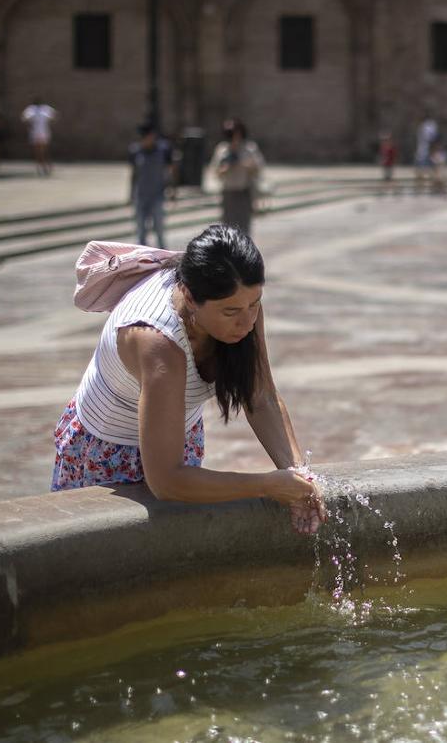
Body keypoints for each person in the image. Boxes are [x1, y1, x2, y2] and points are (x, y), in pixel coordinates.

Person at [53, 226, 325, 534]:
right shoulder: (157, 341)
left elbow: (260, 396)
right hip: (107, 452)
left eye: (255, 303)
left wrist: (298, 474)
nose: (247, 321)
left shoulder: (240, 304)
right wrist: (265, 485)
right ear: (190, 297)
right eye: (231, 311)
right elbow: (167, 481)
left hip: (177, 437)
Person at [210, 118, 265, 235]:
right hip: (228, 193)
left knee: (244, 229)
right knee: (228, 229)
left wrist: (244, 164)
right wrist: (224, 168)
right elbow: (215, 171)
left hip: (243, 192)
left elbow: (259, 168)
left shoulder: (249, 148)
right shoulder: (222, 149)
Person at [129, 123, 175, 249]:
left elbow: (170, 171)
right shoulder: (136, 151)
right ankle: (141, 257)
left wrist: (172, 190)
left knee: (159, 229)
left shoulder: (163, 150)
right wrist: (131, 194)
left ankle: (163, 255)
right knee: (141, 230)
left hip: (157, 195)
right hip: (141, 196)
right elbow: (134, 174)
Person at [22, 97, 57, 176]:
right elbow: (24, 118)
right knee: (38, 151)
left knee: (44, 150)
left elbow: (54, 116)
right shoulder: (31, 109)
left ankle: (46, 166)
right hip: (35, 132)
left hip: (44, 132)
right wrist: (30, 125)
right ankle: (40, 168)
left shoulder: (45, 108)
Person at [413, 114, 439, 194]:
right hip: (423, 152)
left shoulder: (429, 126)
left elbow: (432, 139)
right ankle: (420, 187)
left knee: (432, 171)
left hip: (426, 152)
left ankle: (432, 187)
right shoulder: (425, 127)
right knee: (420, 171)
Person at [377, 131, 398, 195]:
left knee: (388, 178)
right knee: (386, 178)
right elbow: (383, 155)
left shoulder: (390, 147)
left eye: (386, 140)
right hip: (386, 164)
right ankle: (385, 190)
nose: (384, 141)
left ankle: (393, 189)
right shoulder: (384, 147)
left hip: (389, 164)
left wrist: (391, 161)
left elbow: (393, 156)